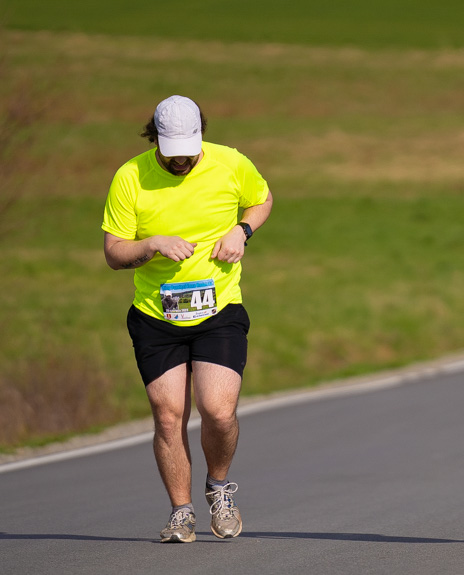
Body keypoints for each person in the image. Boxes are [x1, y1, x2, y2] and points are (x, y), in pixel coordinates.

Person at [102, 95, 273, 543]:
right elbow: (114, 253)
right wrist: (151, 244)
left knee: (217, 411)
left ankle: (218, 488)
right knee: (167, 414)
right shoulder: (130, 177)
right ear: (155, 138)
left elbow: (262, 199)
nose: (181, 160)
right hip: (155, 316)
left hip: (219, 310)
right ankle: (181, 511)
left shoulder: (231, 163)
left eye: (189, 150)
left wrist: (243, 230)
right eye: (172, 150)